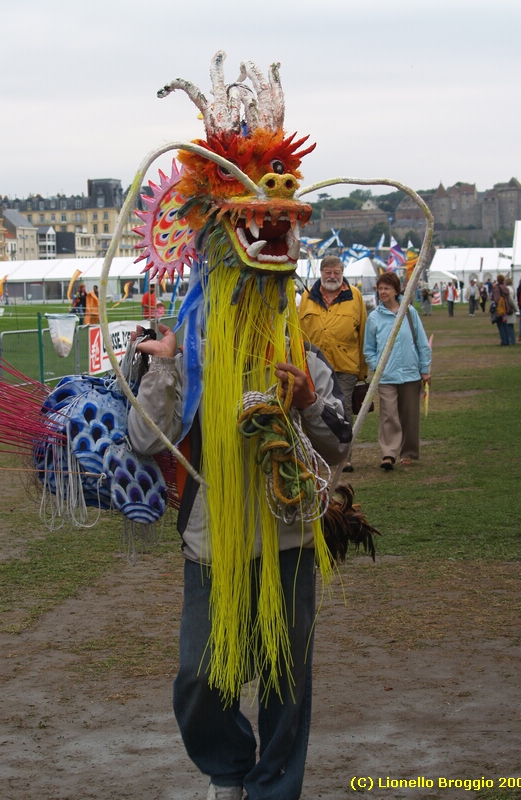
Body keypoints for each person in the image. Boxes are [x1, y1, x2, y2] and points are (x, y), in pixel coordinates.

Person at [128, 316, 351, 800]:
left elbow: (340, 444)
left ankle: (273, 787)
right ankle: (227, 771)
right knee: (200, 675)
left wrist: (309, 403)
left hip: (290, 543)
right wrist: (163, 370)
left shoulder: (304, 357)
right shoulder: (188, 358)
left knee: (285, 679)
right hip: (211, 545)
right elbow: (145, 441)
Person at [298, 254, 367, 473]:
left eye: (337, 272)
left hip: (346, 365)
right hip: (315, 364)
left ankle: (344, 456)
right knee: (315, 407)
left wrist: (362, 371)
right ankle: (317, 454)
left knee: (343, 407)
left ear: (342, 273)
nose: (332, 276)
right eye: (328, 272)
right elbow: (298, 330)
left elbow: (362, 331)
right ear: (321, 273)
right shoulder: (308, 296)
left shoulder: (355, 296)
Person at [364, 272, 431, 470]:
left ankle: (408, 453)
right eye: (380, 288)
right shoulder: (374, 317)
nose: (383, 292)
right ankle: (388, 454)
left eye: (387, 288)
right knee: (388, 414)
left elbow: (421, 342)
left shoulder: (409, 312)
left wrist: (425, 369)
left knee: (409, 415)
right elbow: (368, 349)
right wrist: (377, 367)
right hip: (386, 376)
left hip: (410, 373)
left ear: (396, 290)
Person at [491, 274, 515, 346]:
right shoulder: (506, 288)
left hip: (500, 308)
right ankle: (508, 340)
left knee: (500, 325)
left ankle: (504, 341)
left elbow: (497, 299)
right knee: (505, 325)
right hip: (506, 308)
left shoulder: (497, 288)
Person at [504, 277, 518, 346]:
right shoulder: (512, 288)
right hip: (511, 308)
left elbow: (510, 300)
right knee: (510, 325)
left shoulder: (508, 289)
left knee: (509, 325)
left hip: (509, 309)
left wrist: (515, 308)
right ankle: (512, 340)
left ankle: (512, 341)